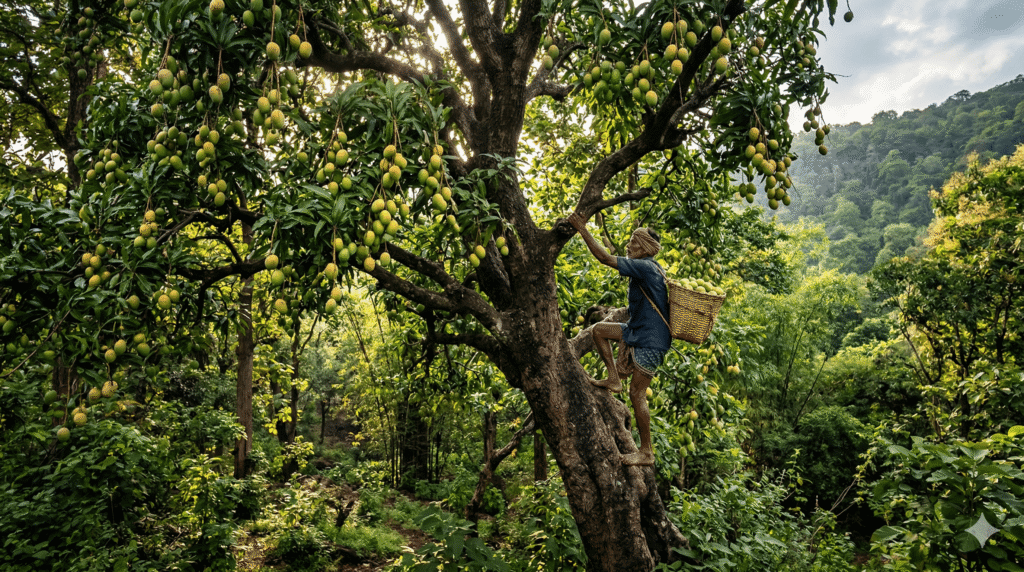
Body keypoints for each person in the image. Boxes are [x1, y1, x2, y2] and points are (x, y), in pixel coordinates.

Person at [567, 213, 670, 466]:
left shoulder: (646, 266)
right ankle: (613, 379)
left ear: (644, 248)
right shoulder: (649, 267)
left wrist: (582, 229)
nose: (628, 247)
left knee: (637, 394)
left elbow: (604, 258)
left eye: (633, 243)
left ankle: (646, 452)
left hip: (650, 340)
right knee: (600, 330)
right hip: (637, 330)